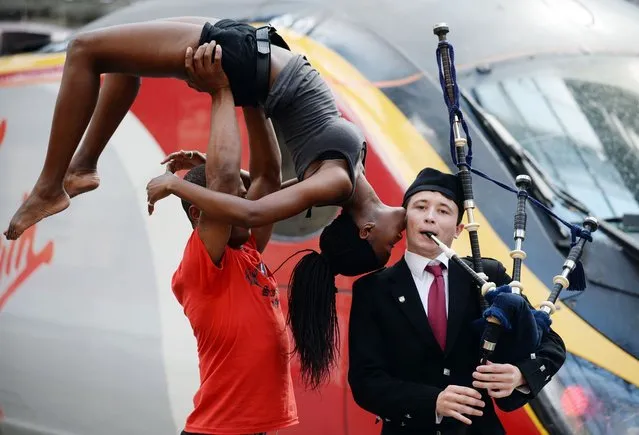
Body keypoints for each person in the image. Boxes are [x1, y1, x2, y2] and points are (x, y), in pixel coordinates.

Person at [3, 18, 405, 388]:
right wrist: (222, 144)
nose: (400, 235)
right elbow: (265, 179)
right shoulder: (343, 178)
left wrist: (181, 180)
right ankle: (82, 166)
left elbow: (249, 205)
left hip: (251, 62)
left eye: (390, 247)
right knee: (115, 58)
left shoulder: (333, 182)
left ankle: (51, 185)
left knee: (84, 50)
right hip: (258, 61)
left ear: (366, 231)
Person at [348, 167, 566, 435]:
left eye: (443, 211)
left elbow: (552, 345)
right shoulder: (373, 290)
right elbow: (365, 381)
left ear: (459, 229)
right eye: (420, 207)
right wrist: (433, 402)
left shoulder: (489, 275)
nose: (430, 218)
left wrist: (520, 374)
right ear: (406, 218)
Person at [167, 49, 297, 435]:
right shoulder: (202, 264)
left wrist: (252, 96)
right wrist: (221, 90)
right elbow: (222, 182)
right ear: (199, 215)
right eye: (237, 197)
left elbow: (269, 178)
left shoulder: (247, 250)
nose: (248, 201)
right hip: (219, 431)